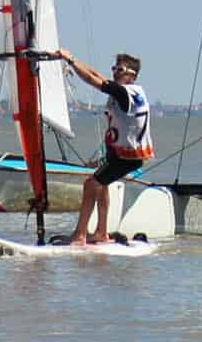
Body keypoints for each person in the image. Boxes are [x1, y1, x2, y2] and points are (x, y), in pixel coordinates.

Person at [54, 47, 153, 244]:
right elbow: (96, 74)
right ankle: (101, 232)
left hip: (128, 158)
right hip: (120, 154)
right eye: (114, 68)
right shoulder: (128, 90)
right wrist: (71, 60)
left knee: (91, 184)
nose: (115, 71)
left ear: (131, 75)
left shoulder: (125, 93)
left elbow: (93, 81)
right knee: (101, 185)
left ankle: (79, 235)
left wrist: (71, 59)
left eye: (120, 69)